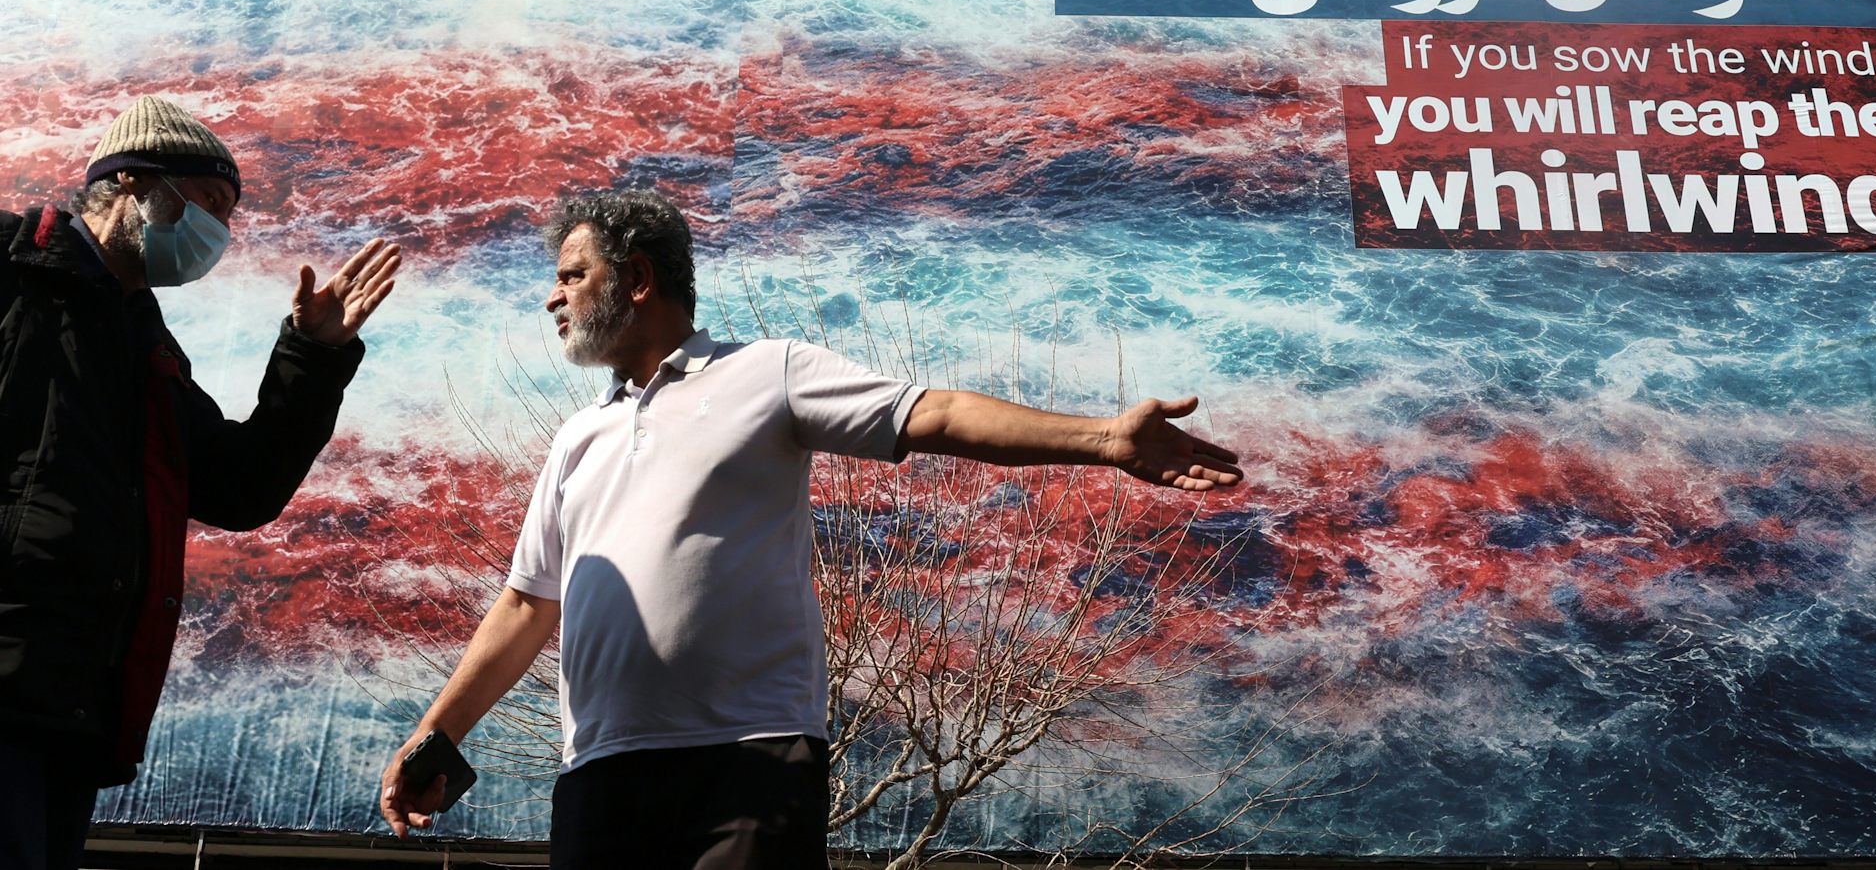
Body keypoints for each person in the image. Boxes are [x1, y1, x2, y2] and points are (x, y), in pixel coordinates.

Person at [379, 188, 1239, 869]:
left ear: (637, 279)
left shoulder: (768, 374)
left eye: (573, 274)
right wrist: (436, 731)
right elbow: (527, 605)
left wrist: (1104, 439)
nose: (551, 297)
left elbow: (931, 412)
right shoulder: (577, 438)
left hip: (748, 760)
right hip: (600, 772)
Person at [0, 96, 403, 870]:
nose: (217, 233)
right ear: (129, 183)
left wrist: (310, 359)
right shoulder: (14, 272)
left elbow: (241, 488)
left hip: (75, 710)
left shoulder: (148, 351)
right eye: (208, 204)